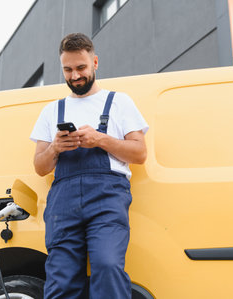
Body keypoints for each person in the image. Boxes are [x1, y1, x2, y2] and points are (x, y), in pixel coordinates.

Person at [30, 33, 148, 299]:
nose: (74, 76)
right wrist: (55, 148)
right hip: (63, 203)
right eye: (68, 69)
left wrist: (100, 139)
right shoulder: (51, 111)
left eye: (81, 68)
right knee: (61, 280)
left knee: (108, 266)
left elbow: (140, 153)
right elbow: (40, 166)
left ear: (95, 62)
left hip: (107, 199)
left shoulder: (119, 102)